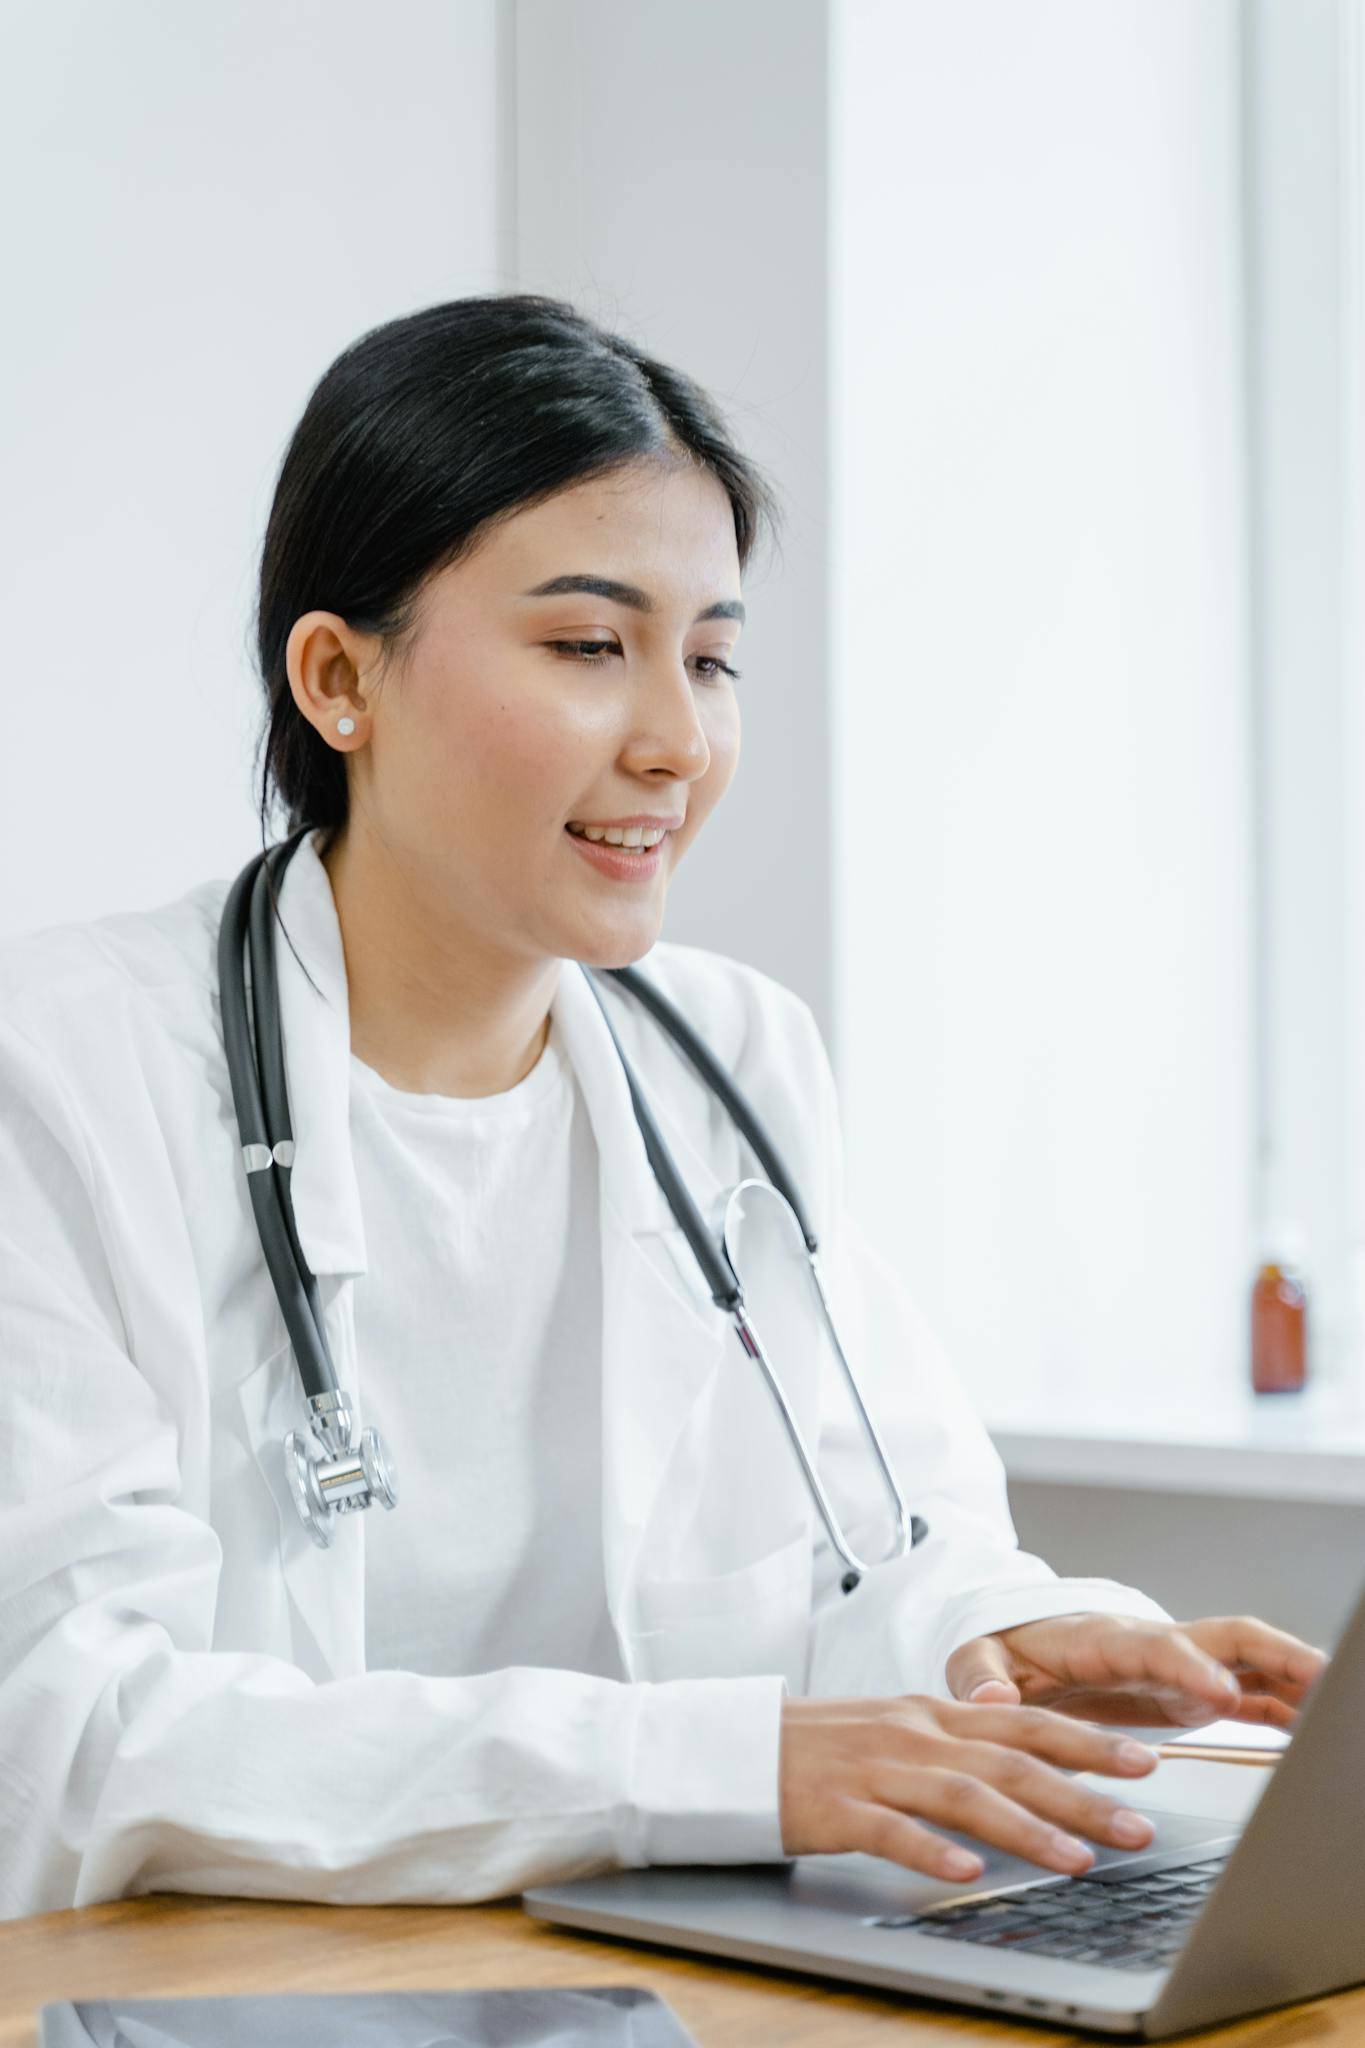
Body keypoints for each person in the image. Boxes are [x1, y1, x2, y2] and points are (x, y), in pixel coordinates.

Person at [0, 294, 1325, 1921]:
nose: (679, 741)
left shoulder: (731, 1059)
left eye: (709, 656)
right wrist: (710, 1768)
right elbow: (68, 1739)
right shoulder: (62, 1074)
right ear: (340, 678)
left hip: (666, 1986)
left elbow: (869, 1545)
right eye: (585, 646)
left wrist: (990, 1639)